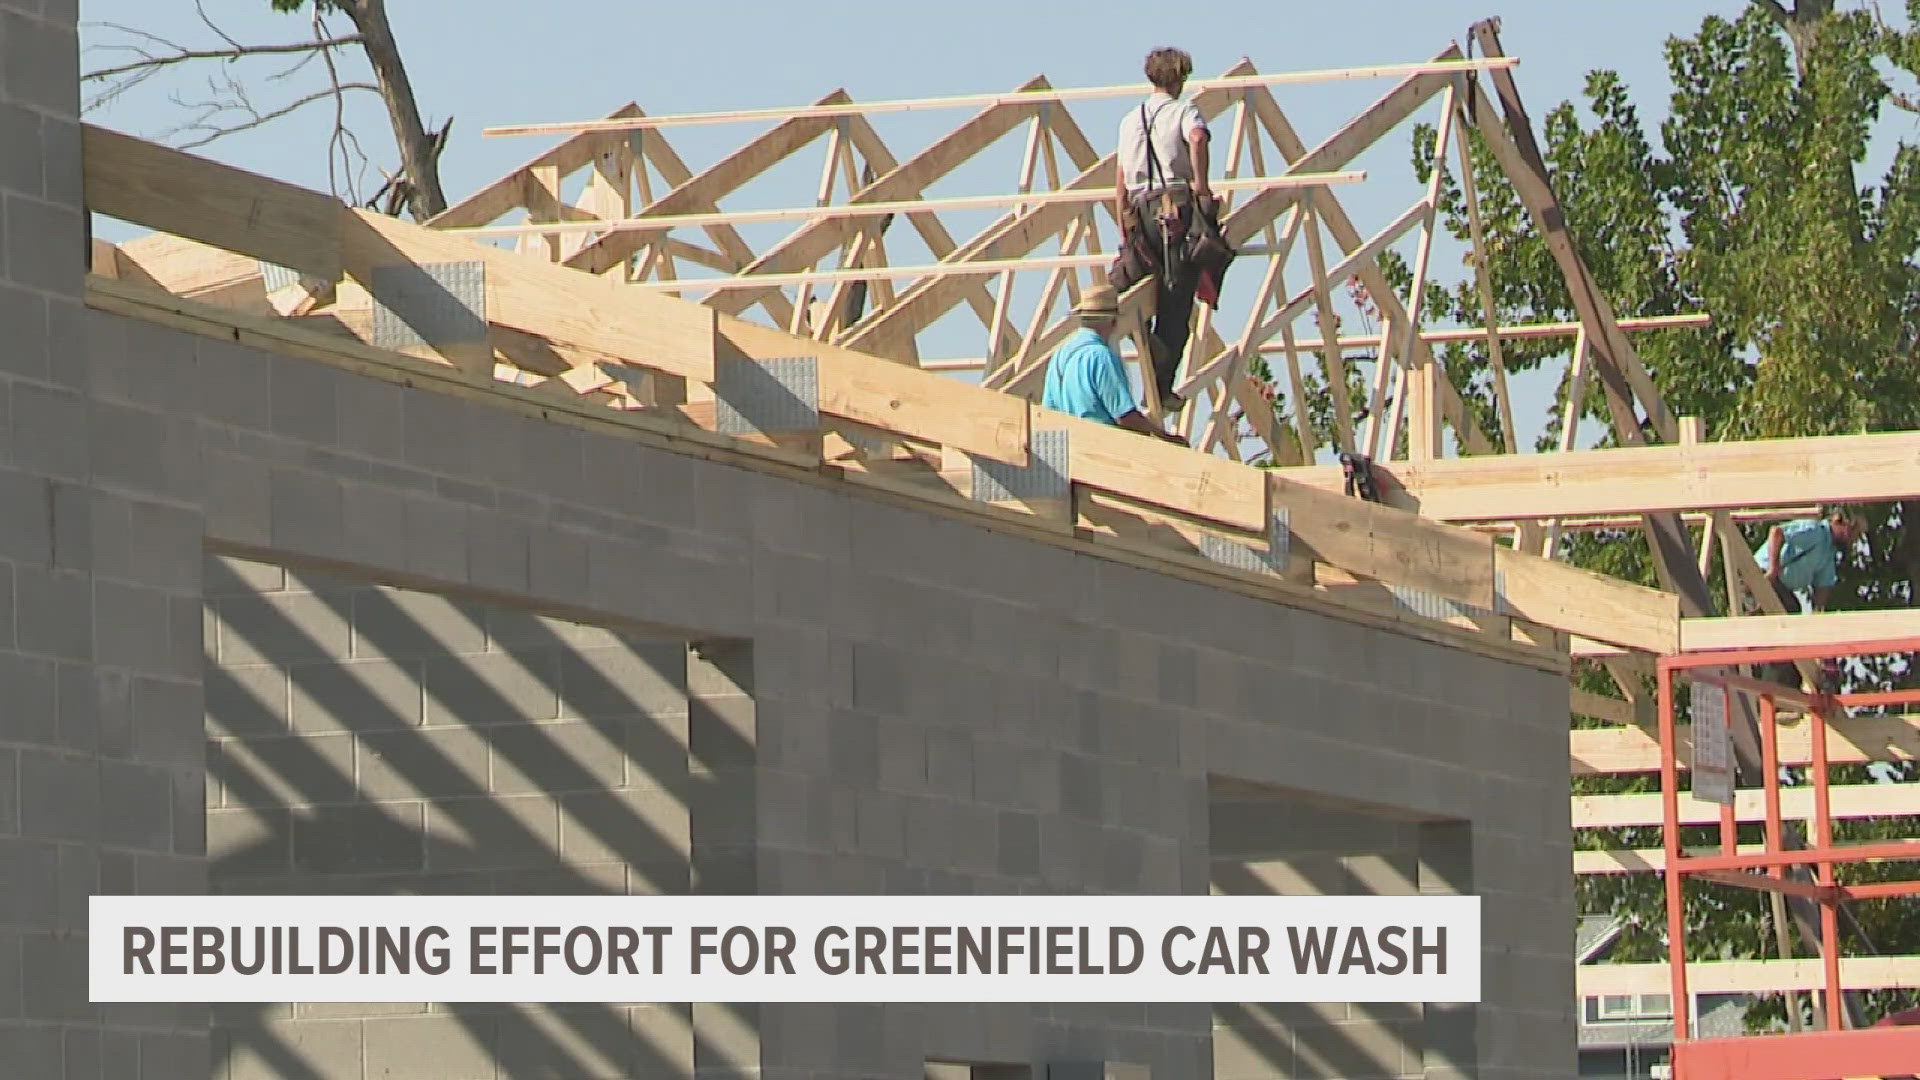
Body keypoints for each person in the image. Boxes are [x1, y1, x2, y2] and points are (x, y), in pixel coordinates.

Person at [1110, 46, 1214, 410]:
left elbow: (1121, 176)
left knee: (1136, 290)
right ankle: (1159, 389)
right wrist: (1201, 186)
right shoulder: (1183, 111)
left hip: (1140, 210)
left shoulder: (1130, 119)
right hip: (1175, 207)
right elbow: (1198, 138)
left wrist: (1123, 218)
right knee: (1175, 300)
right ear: (1181, 77)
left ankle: (1145, 367)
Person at [1041, 283, 1187, 444]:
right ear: (1112, 322)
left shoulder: (1059, 356)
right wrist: (1164, 437)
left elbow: (1049, 411)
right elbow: (1125, 417)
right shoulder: (1101, 356)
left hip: (1070, 448)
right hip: (1100, 447)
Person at [1753, 507, 1864, 690]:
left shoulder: (1827, 555)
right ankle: (1775, 692)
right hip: (1761, 577)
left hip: (1781, 590)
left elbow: (1821, 595)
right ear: (1839, 522)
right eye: (1852, 532)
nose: (1852, 540)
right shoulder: (1815, 531)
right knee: (1786, 628)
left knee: (1794, 640)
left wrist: (1817, 631)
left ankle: (1785, 694)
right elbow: (1777, 532)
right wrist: (1773, 569)